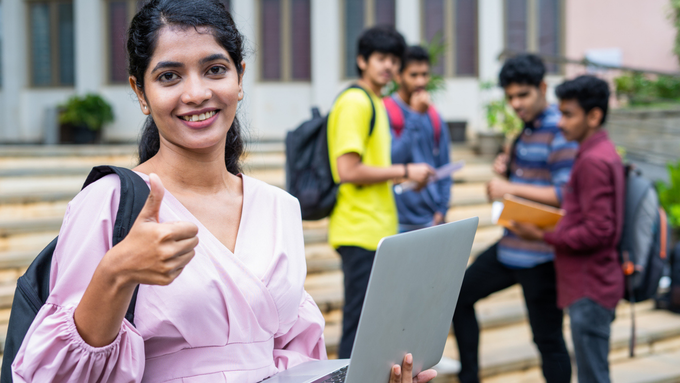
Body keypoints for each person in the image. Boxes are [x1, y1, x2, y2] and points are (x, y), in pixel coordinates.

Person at [11, 2, 434, 382]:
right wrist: (116, 273)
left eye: (215, 69)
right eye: (169, 76)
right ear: (141, 93)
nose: (197, 93)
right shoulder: (109, 202)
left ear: (239, 78)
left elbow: (298, 360)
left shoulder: (278, 208)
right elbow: (54, 375)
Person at [451, 54, 577, 383]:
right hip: (511, 246)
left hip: (542, 254)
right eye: (510, 97)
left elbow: (564, 193)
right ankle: (469, 376)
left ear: (543, 88)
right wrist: (507, 171)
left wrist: (510, 184)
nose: (515, 103)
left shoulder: (560, 129)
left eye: (523, 95)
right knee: (457, 297)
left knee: (547, 340)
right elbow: (530, 182)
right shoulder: (526, 129)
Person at [327, 26, 435, 359]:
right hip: (359, 231)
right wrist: (404, 171)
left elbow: (374, 166)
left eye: (393, 60)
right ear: (362, 60)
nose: (387, 66)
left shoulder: (376, 101)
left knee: (375, 329)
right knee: (359, 331)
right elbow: (347, 170)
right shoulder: (356, 102)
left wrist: (404, 178)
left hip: (377, 230)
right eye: (380, 58)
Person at [511, 75, 624, 383]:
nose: (560, 123)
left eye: (568, 114)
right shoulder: (598, 153)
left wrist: (543, 235)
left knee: (593, 376)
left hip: (590, 285)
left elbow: (598, 230)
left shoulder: (592, 161)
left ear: (594, 116)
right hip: (590, 282)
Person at [387, 45, 451, 232]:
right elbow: (392, 160)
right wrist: (415, 115)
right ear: (398, 76)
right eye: (413, 75)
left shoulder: (434, 116)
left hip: (430, 219)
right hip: (396, 220)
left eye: (425, 74)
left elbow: (444, 167)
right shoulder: (386, 112)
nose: (421, 81)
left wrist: (442, 209)